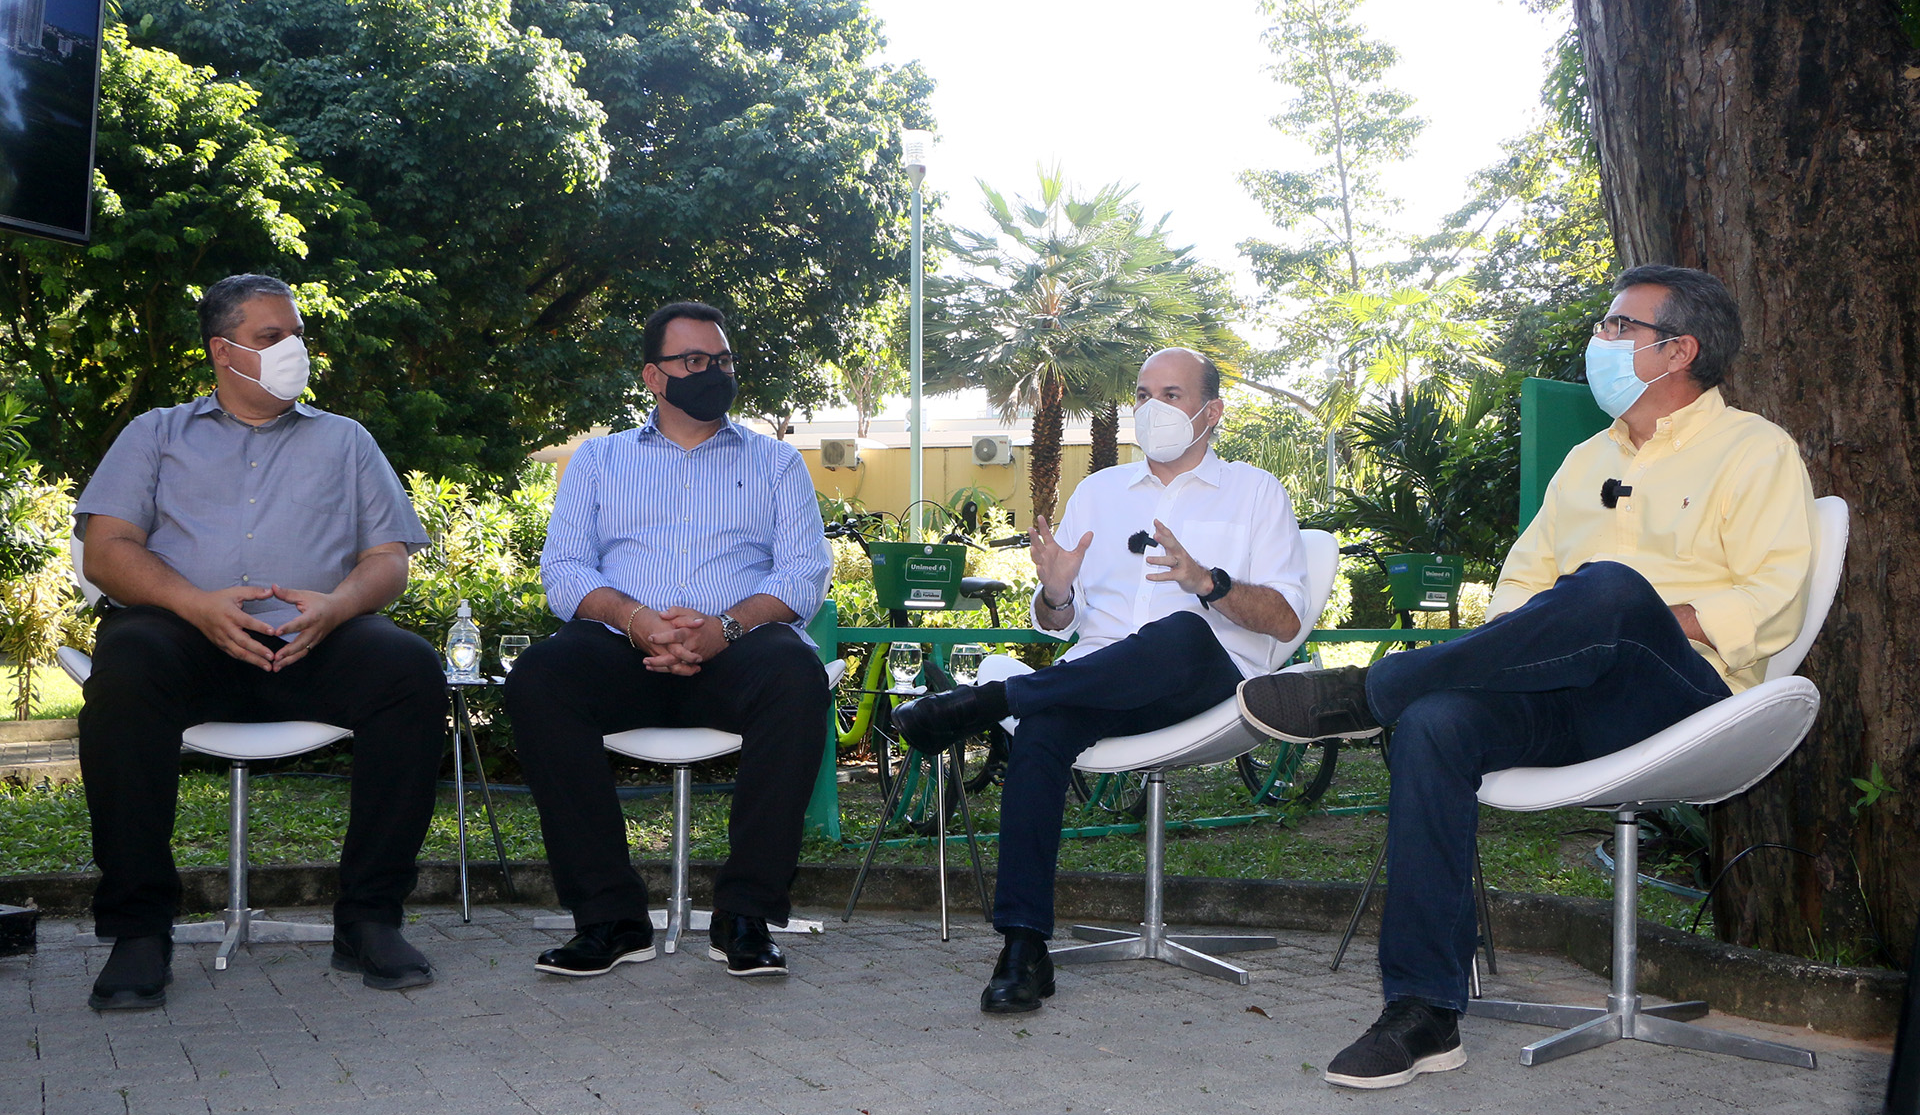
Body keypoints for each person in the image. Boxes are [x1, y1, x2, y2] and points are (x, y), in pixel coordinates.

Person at [1236, 265, 1819, 1090]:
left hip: (1685, 696)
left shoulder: (1756, 451)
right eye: (1604, 325)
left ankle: (1369, 693)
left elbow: (1771, 603)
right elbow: (1519, 587)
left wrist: (1632, 616)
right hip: (1568, 698)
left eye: (1620, 327)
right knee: (1439, 723)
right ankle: (1423, 1011)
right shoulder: (1586, 459)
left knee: (1613, 590)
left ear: (1679, 350)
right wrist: (1543, 637)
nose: (1600, 340)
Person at [893, 347, 1311, 1014]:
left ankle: (990, 701)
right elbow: (1059, 624)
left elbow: (1286, 621)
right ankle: (1024, 946)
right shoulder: (1099, 492)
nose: (1152, 410)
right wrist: (1055, 591)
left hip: (1207, 683)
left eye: (1170, 395)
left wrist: (1208, 583)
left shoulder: (1256, 492)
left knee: (1178, 631)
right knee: (1045, 730)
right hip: (1096, 680)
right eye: (1143, 394)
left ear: (1212, 411)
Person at [75, 274, 446, 1011]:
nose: (294, 350)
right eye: (271, 337)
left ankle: (369, 918)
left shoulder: (346, 440)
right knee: (124, 672)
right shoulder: (155, 433)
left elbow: (389, 560)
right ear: (224, 351)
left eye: (298, 335)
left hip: (316, 640)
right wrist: (196, 605)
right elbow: (107, 550)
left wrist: (338, 607)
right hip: (182, 638)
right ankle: (139, 931)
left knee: (409, 669)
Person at [505, 301, 833, 980]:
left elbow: (804, 575)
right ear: (655, 377)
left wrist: (725, 628)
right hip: (623, 649)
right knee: (541, 676)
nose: (712, 372)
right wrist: (638, 620)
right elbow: (564, 573)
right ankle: (608, 918)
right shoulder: (598, 461)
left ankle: (745, 914)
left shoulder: (776, 462)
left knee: (796, 676)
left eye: (722, 361)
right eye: (694, 362)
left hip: (741, 650)